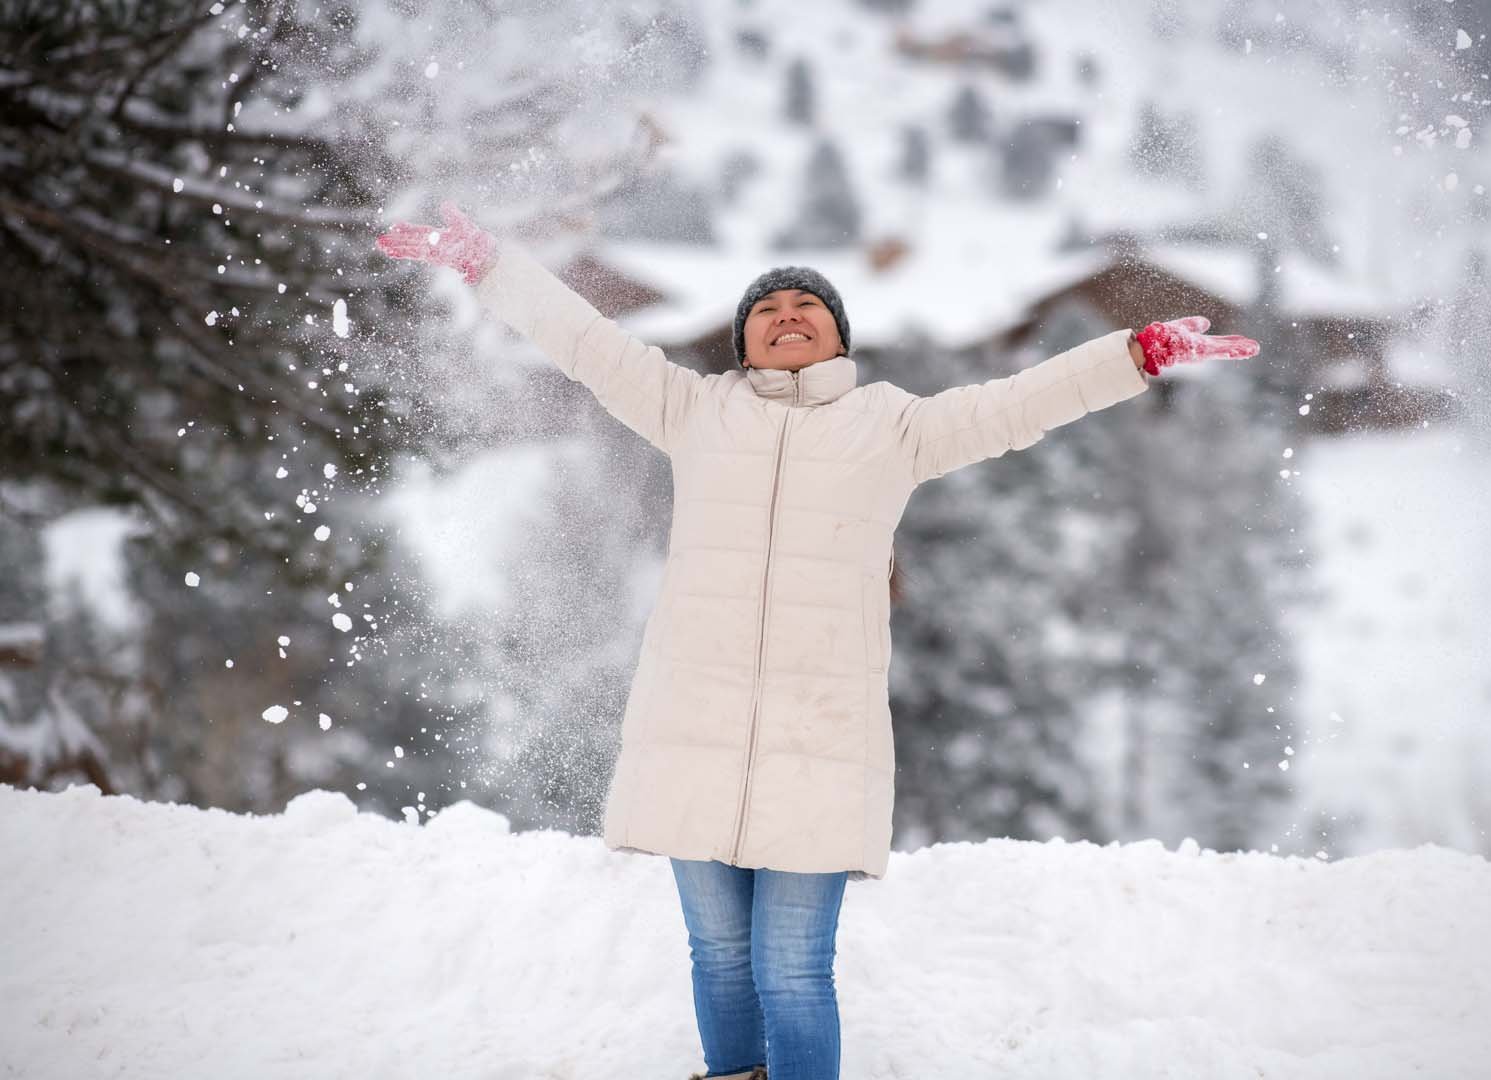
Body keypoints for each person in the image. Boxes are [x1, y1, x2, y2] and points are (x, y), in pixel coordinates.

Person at [377, 201, 1259, 1080]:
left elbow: (1018, 405)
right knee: (717, 959)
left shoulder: (895, 426)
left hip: (820, 741)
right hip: (693, 730)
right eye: (766, 309)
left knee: (791, 970)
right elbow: (582, 338)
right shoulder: (691, 410)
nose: (787, 316)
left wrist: (1132, 356)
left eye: (808, 308)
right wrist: (490, 263)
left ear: (839, 339)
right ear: (742, 342)